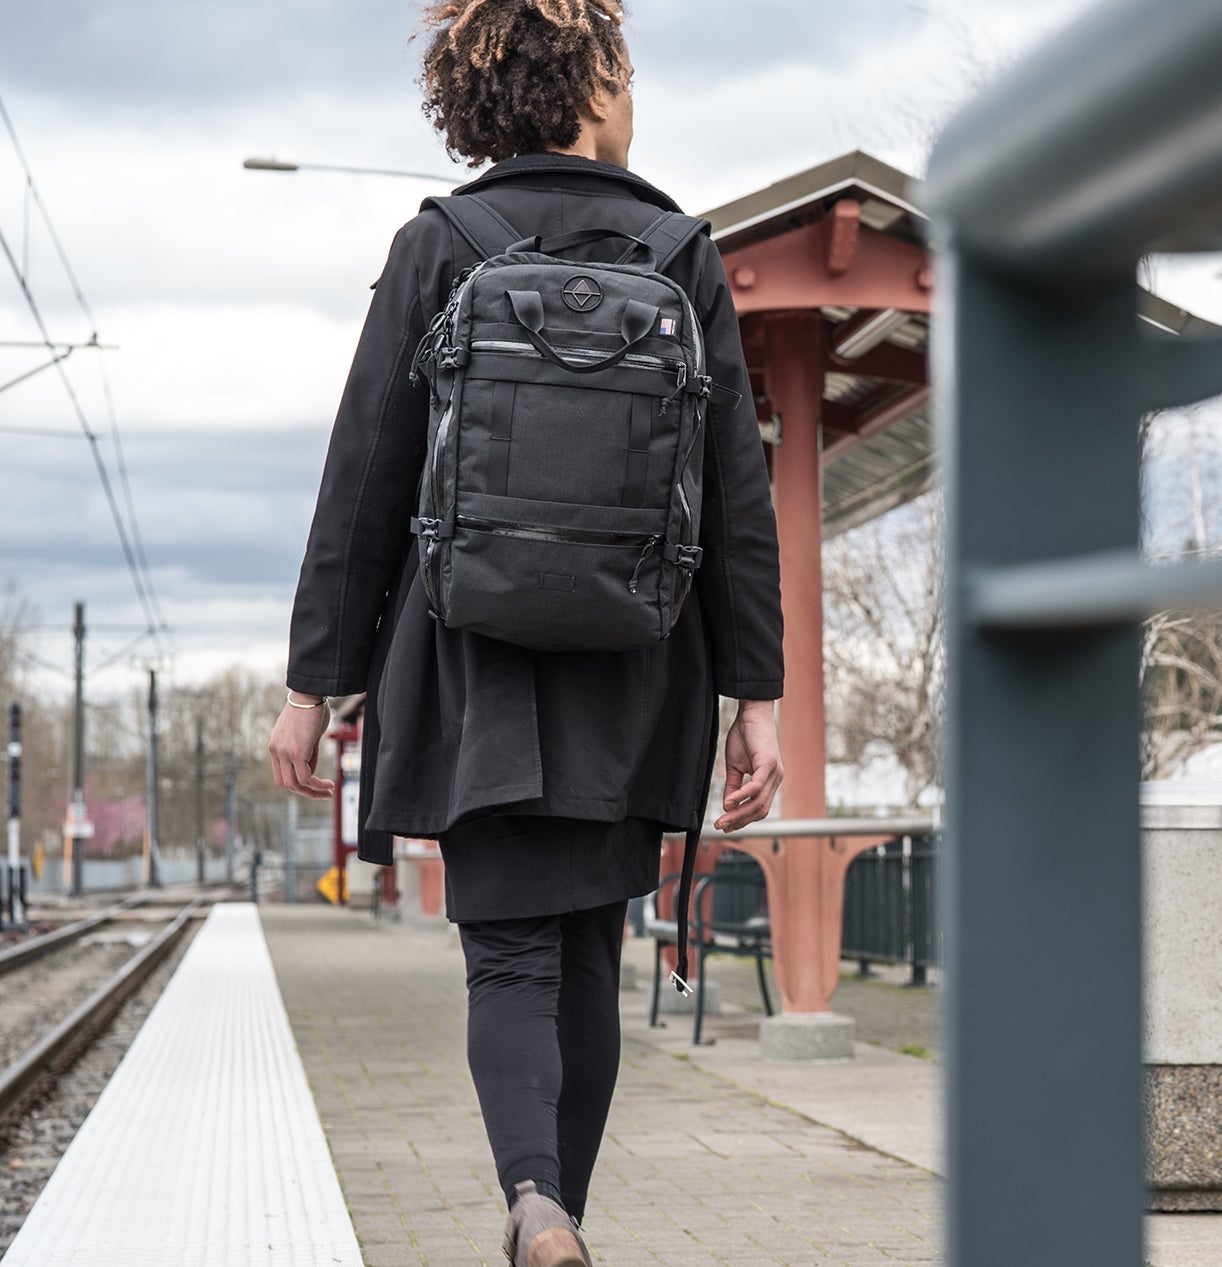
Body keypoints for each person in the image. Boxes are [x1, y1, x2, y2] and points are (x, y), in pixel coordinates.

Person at [267, 2, 785, 1262]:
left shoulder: (441, 244)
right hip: (638, 664)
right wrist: (754, 697)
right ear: (594, 84)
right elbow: (736, 496)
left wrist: (314, 685)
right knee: (590, 957)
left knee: (506, 958)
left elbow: (366, 478)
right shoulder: (680, 252)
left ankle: (531, 1202)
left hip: (471, 658)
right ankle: (563, 1217)